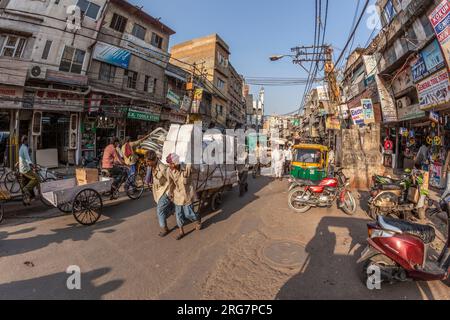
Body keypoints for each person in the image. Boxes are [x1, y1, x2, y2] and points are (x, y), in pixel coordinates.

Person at [166, 153, 201, 240]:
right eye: (169, 164)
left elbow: (197, 170)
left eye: (171, 163)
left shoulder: (187, 167)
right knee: (179, 215)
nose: (169, 165)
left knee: (189, 214)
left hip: (188, 194)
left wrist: (192, 163)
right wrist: (170, 193)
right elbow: (170, 183)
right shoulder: (169, 171)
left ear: (176, 163)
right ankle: (181, 231)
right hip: (178, 195)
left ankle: (198, 220)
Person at [146, 150, 174, 237]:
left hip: (165, 191)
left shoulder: (162, 168)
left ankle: (165, 229)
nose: (147, 163)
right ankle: (176, 209)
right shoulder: (151, 167)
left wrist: (170, 193)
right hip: (158, 191)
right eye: (146, 161)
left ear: (154, 160)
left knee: (160, 210)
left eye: (148, 161)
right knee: (166, 209)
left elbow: (171, 180)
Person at [19, 135, 39, 205]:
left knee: (28, 182)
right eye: (27, 140)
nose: (28, 142)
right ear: (25, 141)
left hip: (22, 169)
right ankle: (26, 189)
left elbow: (23, 157)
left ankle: (29, 198)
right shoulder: (24, 148)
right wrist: (33, 166)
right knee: (36, 178)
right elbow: (27, 159)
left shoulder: (21, 147)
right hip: (25, 169)